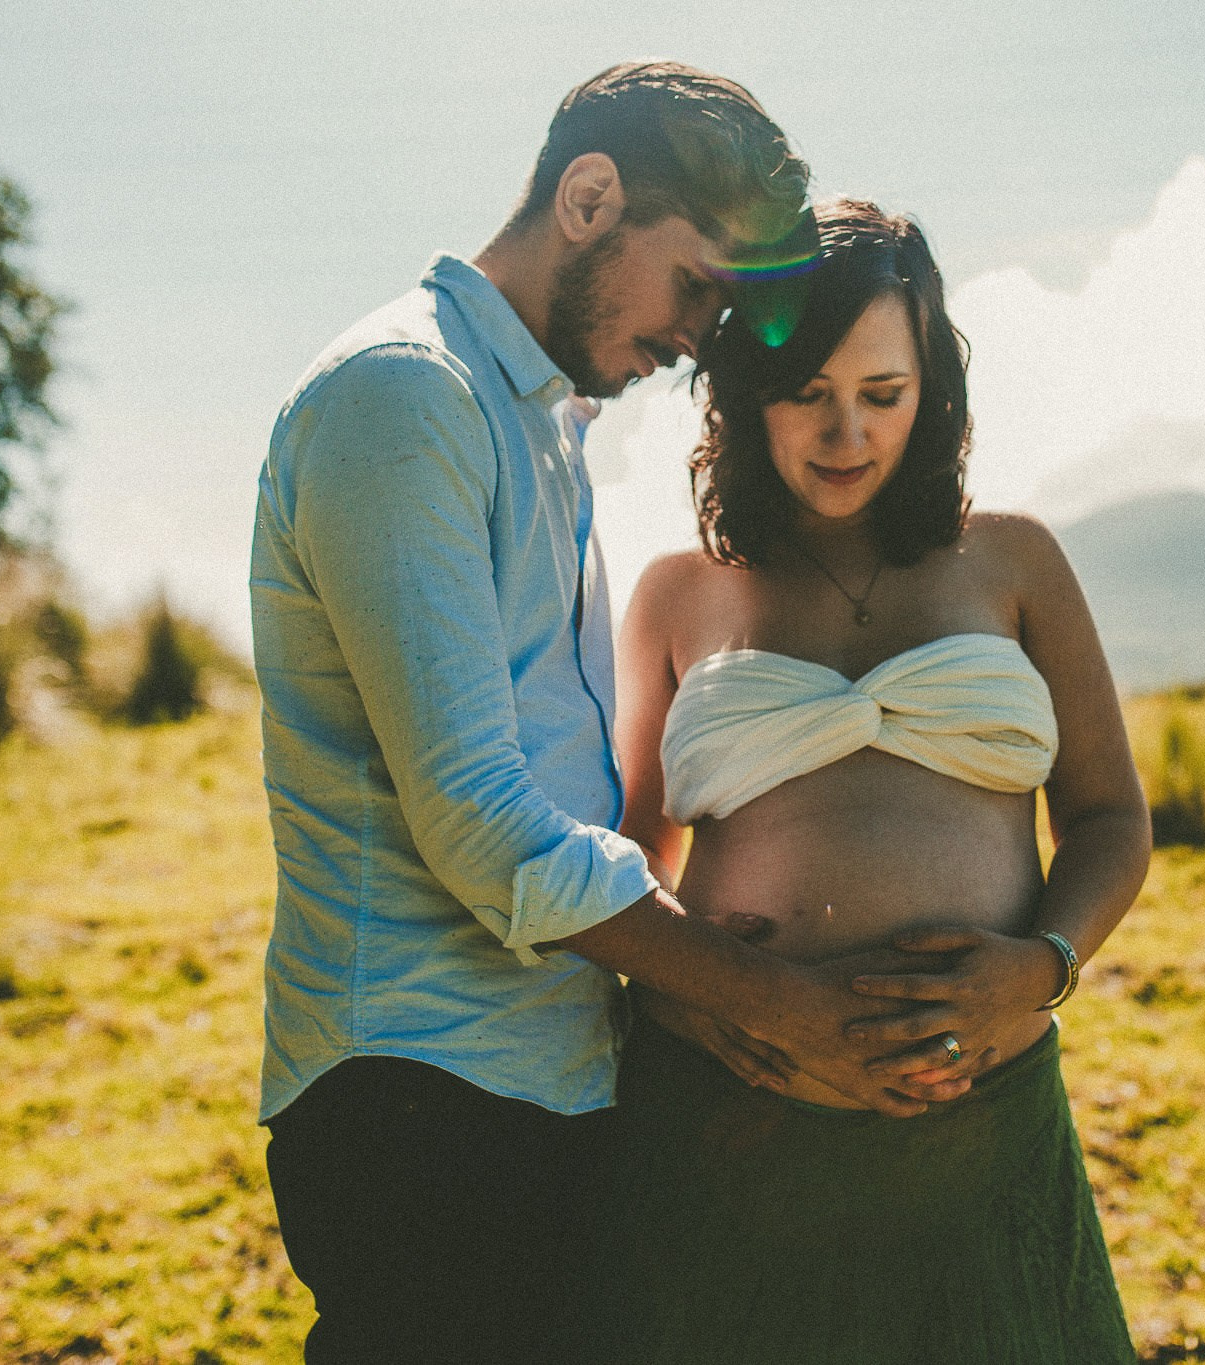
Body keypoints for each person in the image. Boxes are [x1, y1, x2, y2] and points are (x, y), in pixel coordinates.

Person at [249, 68, 991, 1364]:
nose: (705, 337)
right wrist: (769, 999)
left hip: (538, 1088)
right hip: (418, 1113)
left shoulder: (540, 425)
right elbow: (482, 824)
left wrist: (675, 1004)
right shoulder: (405, 399)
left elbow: (564, 785)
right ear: (590, 198)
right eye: (699, 286)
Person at [599, 199, 1153, 1363]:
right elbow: (624, 865)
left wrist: (1040, 969)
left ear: (930, 392)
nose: (844, 432)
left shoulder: (1013, 561)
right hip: (725, 1121)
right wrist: (687, 997)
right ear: (746, 396)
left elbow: (1106, 818)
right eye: (807, 393)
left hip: (978, 1130)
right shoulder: (674, 593)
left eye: (882, 394)